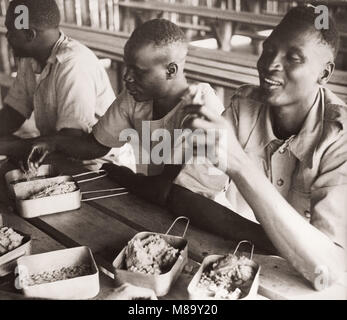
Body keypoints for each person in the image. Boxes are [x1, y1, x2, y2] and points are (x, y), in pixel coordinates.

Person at [99, 5, 347, 290]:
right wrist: (275, 237)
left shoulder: (339, 137)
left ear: (325, 73)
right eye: (268, 50)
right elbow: (184, 195)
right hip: (241, 267)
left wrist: (239, 165)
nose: (270, 64)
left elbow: (327, 270)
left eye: (293, 58)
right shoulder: (244, 107)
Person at [27, 19, 226, 192]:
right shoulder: (136, 97)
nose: (127, 77)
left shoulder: (201, 109)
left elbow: (166, 189)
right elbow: (96, 145)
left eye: (138, 71)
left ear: (171, 71)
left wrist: (117, 172)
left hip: (202, 213)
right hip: (156, 203)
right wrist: (52, 142)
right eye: (127, 67)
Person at [0, 0, 115, 160]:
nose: (7, 36)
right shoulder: (29, 59)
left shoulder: (73, 64)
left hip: (99, 164)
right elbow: (13, 113)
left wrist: (7, 147)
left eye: (10, 30)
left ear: (29, 34)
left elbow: (70, 139)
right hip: (57, 152)